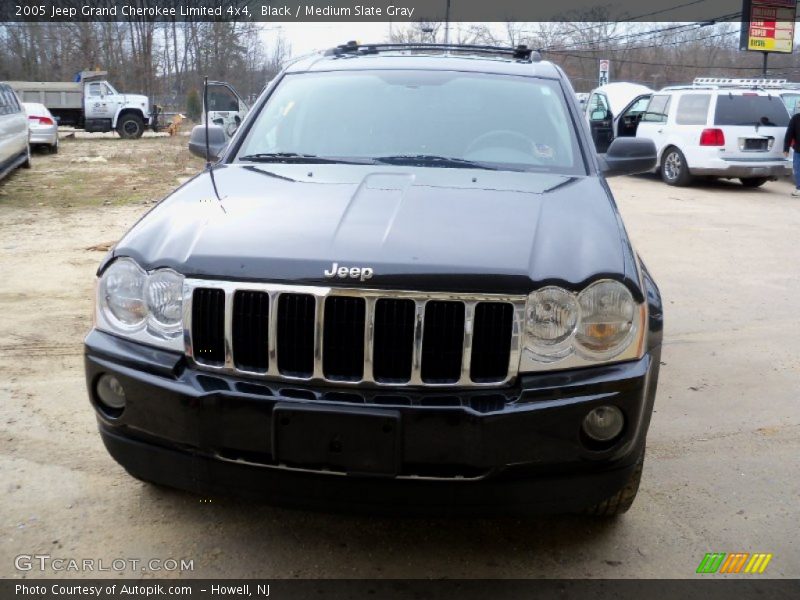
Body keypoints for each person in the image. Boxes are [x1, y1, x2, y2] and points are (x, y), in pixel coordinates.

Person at [783, 101, 800, 196]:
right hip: (798, 150)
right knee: (797, 169)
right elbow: (789, 134)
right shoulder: (796, 118)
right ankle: (799, 188)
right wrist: (786, 148)